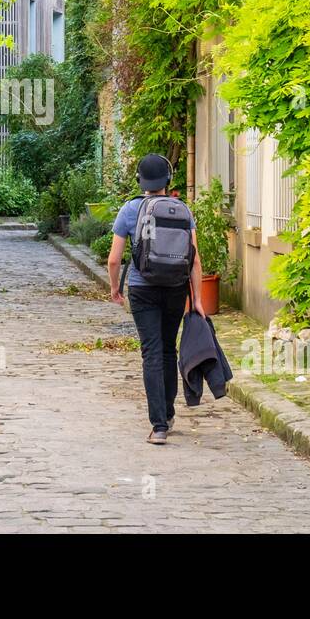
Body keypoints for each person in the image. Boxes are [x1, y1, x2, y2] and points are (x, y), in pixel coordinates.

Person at [107, 154, 203, 446]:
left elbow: (114, 260)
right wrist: (197, 299)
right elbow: (195, 260)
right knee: (167, 351)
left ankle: (158, 426)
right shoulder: (183, 210)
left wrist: (115, 289)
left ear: (140, 181)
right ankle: (169, 414)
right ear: (168, 181)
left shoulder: (129, 209)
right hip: (175, 288)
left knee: (150, 352)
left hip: (142, 287)